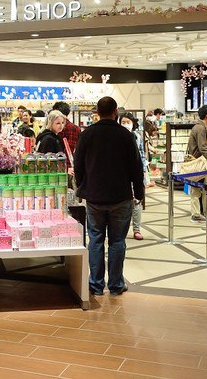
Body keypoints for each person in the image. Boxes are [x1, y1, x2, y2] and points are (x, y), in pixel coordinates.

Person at [74, 97, 144, 296]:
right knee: (117, 241)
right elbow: (136, 168)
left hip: (94, 197)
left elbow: (78, 166)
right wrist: (139, 192)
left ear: (97, 111)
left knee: (95, 239)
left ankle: (95, 285)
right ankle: (115, 284)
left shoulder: (87, 135)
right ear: (115, 112)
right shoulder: (125, 135)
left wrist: (82, 187)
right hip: (120, 196)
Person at [120, 112, 146, 240]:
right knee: (122, 203)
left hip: (135, 173)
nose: (125, 125)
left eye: (128, 122)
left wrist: (144, 172)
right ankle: (121, 229)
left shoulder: (137, 137)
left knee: (137, 201)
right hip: (121, 174)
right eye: (123, 122)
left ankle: (137, 229)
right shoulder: (116, 136)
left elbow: (142, 155)